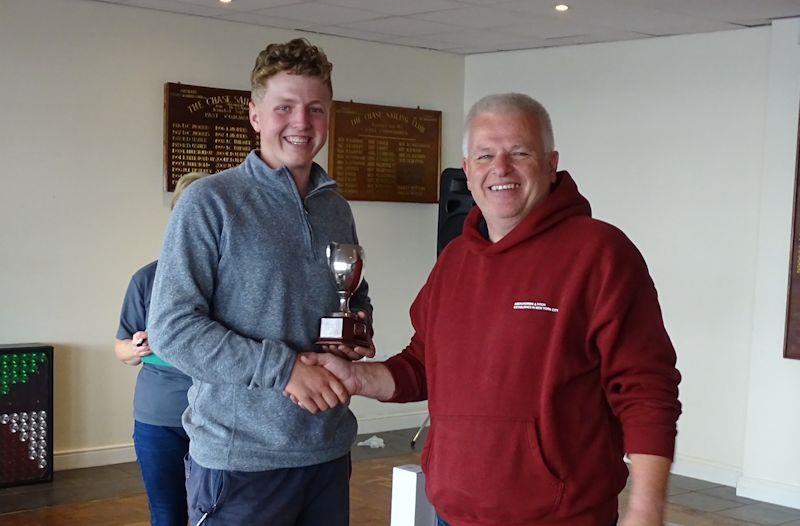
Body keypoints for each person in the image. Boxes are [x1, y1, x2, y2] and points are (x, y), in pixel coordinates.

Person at [295, 93, 682, 526]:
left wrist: (646, 510)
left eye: (519, 152)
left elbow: (648, 391)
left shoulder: (601, 254)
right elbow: (426, 364)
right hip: (453, 514)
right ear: (468, 170)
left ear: (551, 163)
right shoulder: (455, 260)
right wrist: (358, 377)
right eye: (485, 155)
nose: (501, 169)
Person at [147, 38, 373, 526]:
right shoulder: (211, 203)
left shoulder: (335, 207)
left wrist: (354, 331)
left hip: (327, 448)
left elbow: (354, 293)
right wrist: (285, 369)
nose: (301, 123)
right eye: (285, 107)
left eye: (315, 109)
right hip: (241, 462)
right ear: (255, 116)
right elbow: (172, 329)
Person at [115, 171, 208, 526]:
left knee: (217, 514)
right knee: (168, 516)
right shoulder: (147, 279)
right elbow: (121, 349)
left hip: (218, 418)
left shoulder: (232, 280)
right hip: (159, 419)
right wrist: (136, 347)